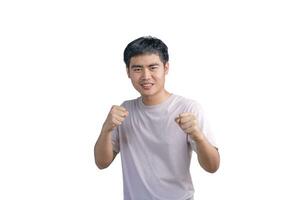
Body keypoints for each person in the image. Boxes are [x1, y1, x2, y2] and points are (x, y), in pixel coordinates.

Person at [94, 36, 220, 200]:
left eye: (153, 67)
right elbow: (101, 163)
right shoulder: (124, 111)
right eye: (137, 69)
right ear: (128, 72)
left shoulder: (187, 108)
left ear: (166, 68)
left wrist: (199, 137)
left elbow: (212, 166)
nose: (146, 76)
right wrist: (106, 129)